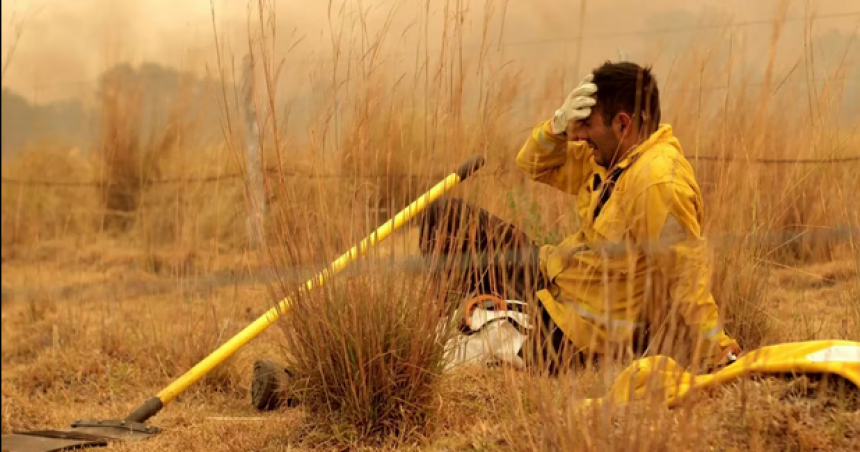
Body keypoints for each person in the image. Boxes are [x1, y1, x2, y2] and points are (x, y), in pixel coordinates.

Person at [420, 60, 740, 375]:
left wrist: (719, 350)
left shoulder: (659, 181)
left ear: (623, 124)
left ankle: (475, 325)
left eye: (588, 124)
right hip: (554, 278)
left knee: (453, 350)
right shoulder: (609, 156)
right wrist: (558, 126)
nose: (581, 135)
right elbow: (533, 164)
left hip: (581, 331)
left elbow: (686, 275)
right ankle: (462, 313)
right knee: (444, 217)